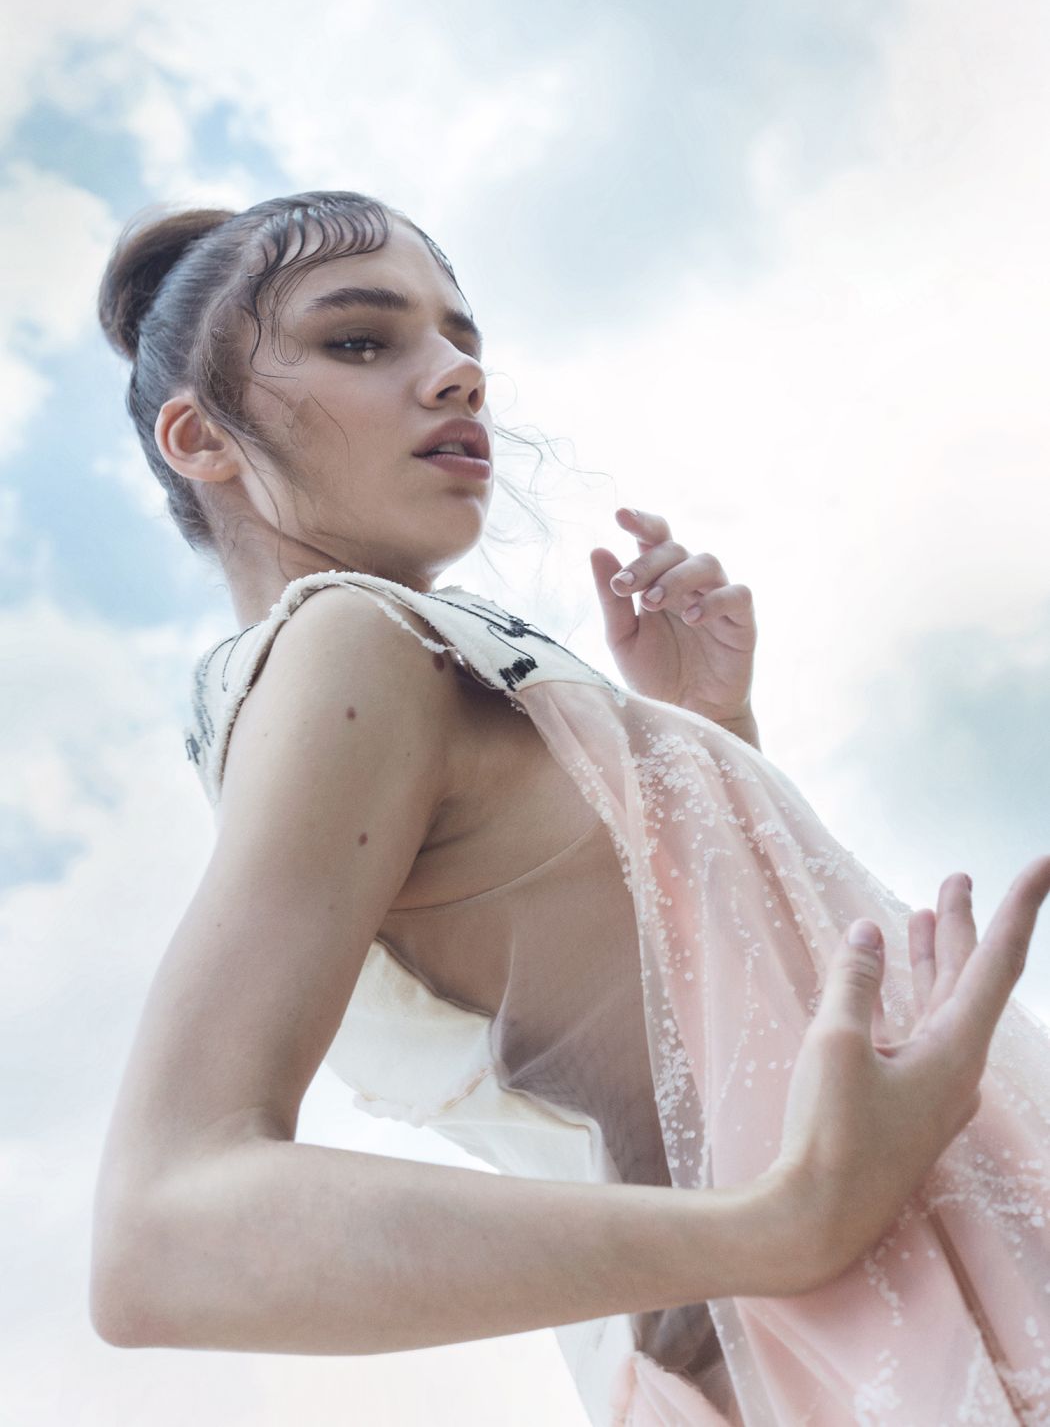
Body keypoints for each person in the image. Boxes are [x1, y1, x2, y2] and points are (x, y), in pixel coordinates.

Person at [89, 190, 1050, 1425]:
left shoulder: (434, 669)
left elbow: (658, 1061)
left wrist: (704, 734)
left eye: (462, 340)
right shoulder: (348, 641)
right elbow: (162, 1232)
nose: (458, 376)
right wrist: (786, 1223)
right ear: (201, 437)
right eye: (361, 340)